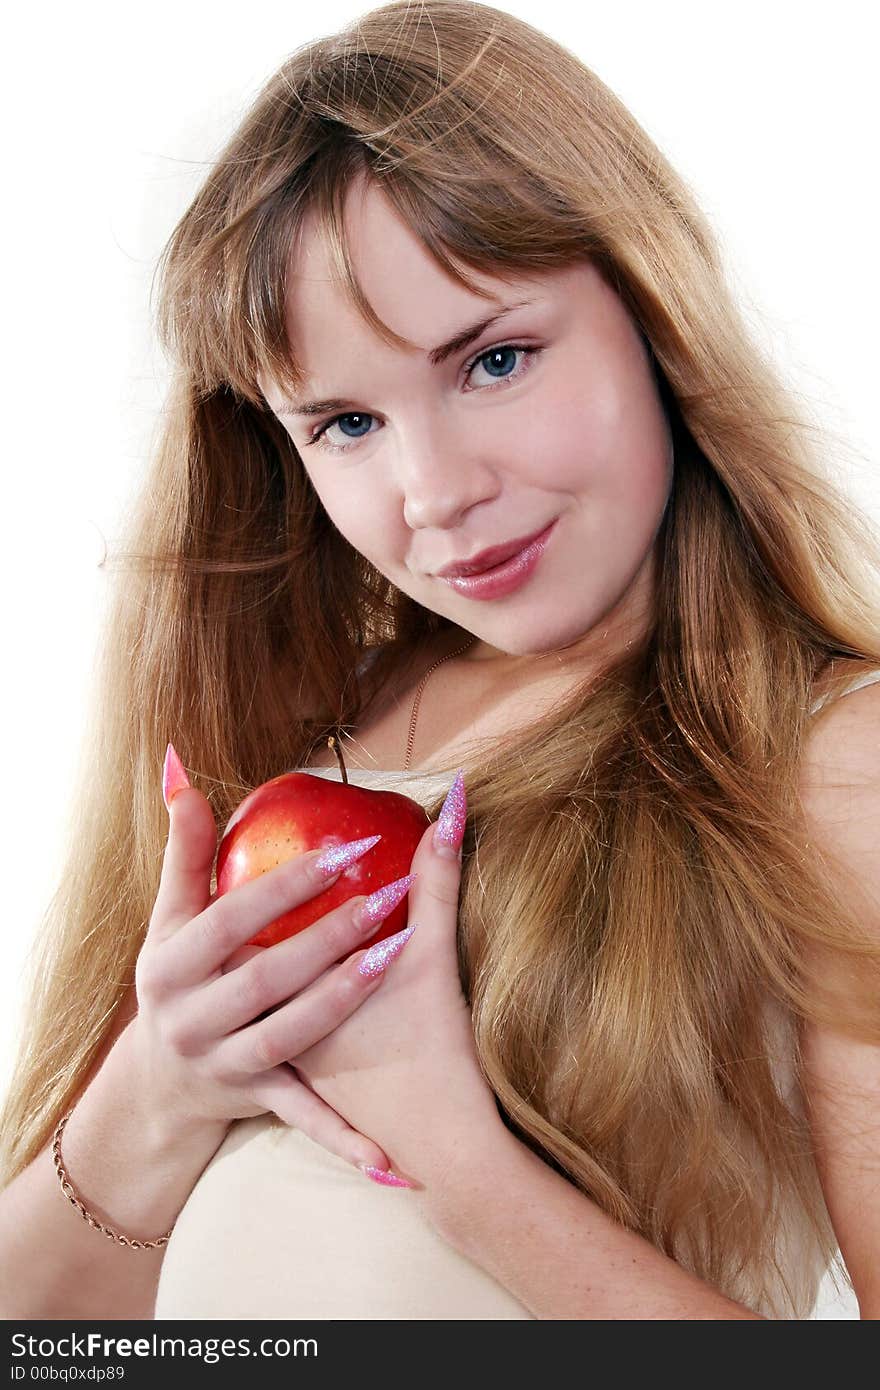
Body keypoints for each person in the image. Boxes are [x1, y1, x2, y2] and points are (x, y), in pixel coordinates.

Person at [1, 0, 879, 1322]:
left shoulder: (827, 765)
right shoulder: (283, 735)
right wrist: (156, 1093)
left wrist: (461, 1160)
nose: (434, 493)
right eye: (347, 421)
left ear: (653, 314)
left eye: (496, 360)